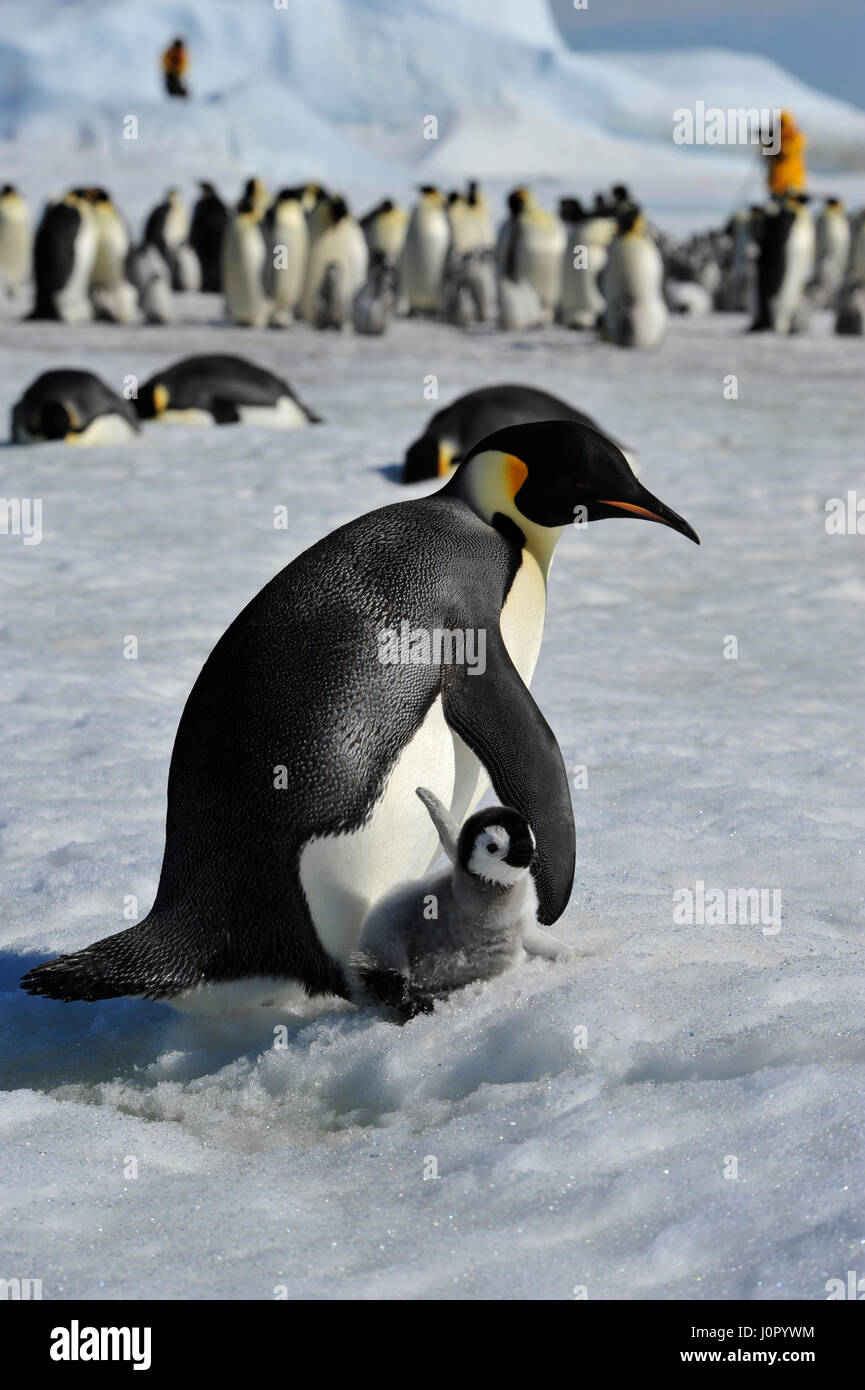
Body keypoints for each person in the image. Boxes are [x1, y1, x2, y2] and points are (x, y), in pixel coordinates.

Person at [766, 109, 807, 198]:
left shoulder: (793, 135)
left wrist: (780, 147)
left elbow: (790, 151)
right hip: (777, 179)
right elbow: (768, 153)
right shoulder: (775, 135)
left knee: (790, 202)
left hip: (791, 180)